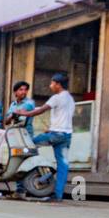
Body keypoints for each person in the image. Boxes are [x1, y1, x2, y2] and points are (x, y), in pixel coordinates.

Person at [25, 72, 75, 201]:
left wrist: (25, 113)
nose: (50, 85)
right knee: (63, 165)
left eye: (52, 83)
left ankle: (28, 179)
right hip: (66, 135)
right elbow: (63, 117)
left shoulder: (56, 97)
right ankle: (58, 195)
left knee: (28, 144)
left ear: (58, 84)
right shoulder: (70, 98)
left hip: (55, 135)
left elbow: (41, 109)